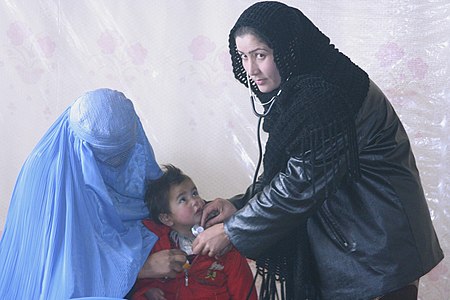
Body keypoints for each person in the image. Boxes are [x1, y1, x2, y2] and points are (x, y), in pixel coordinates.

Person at [192, 2, 444, 300]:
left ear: (288, 49)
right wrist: (240, 205)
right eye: (243, 56)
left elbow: (300, 185)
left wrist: (232, 231)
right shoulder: (314, 82)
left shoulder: (324, 98)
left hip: (376, 255)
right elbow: (295, 168)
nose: (252, 69)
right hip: (363, 248)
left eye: (261, 54)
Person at [0, 88, 186, 299]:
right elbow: (61, 276)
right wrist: (139, 269)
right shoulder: (46, 180)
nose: (118, 162)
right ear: (82, 146)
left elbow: (155, 204)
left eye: (125, 150)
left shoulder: (136, 156)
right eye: (105, 155)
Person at [130, 164, 257, 300]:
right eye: (183, 199)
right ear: (166, 218)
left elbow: (245, 290)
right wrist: (148, 290)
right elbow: (140, 282)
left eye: (195, 193)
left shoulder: (223, 245)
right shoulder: (157, 249)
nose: (195, 201)